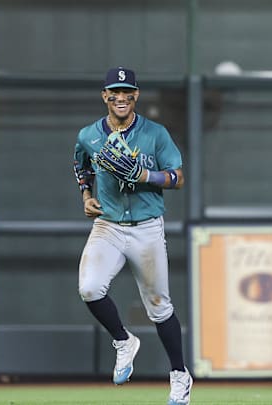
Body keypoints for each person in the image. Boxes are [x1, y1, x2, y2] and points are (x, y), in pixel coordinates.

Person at [72, 67, 192, 405]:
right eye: (115, 91)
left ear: (136, 95)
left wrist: (146, 174)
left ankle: (180, 375)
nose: (120, 97)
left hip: (147, 227)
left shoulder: (155, 133)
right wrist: (86, 195)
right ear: (105, 95)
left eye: (127, 91)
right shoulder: (89, 135)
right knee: (89, 288)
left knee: (159, 307)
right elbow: (81, 164)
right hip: (108, 225)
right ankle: (124, 341)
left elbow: (178, 177)